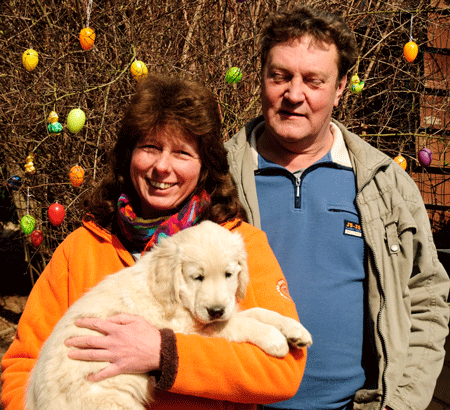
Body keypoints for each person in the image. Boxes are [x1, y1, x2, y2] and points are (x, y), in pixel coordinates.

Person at [1, 74, 307, 410]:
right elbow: (23, 365)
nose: (162, 166)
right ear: (129, 155)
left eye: (182, 152)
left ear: (205, 165)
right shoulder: (82, 249)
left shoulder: (241, 243)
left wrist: (165, 354)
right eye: (150, 147)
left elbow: (282, 371)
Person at [225, 5, 450, 410]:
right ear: (261, 77)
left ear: (341, 86)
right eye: (280, 76)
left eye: (313, 80)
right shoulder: (215, 178)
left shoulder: (384, 184)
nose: (294, 95)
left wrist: (400, 402)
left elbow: (427, 298)